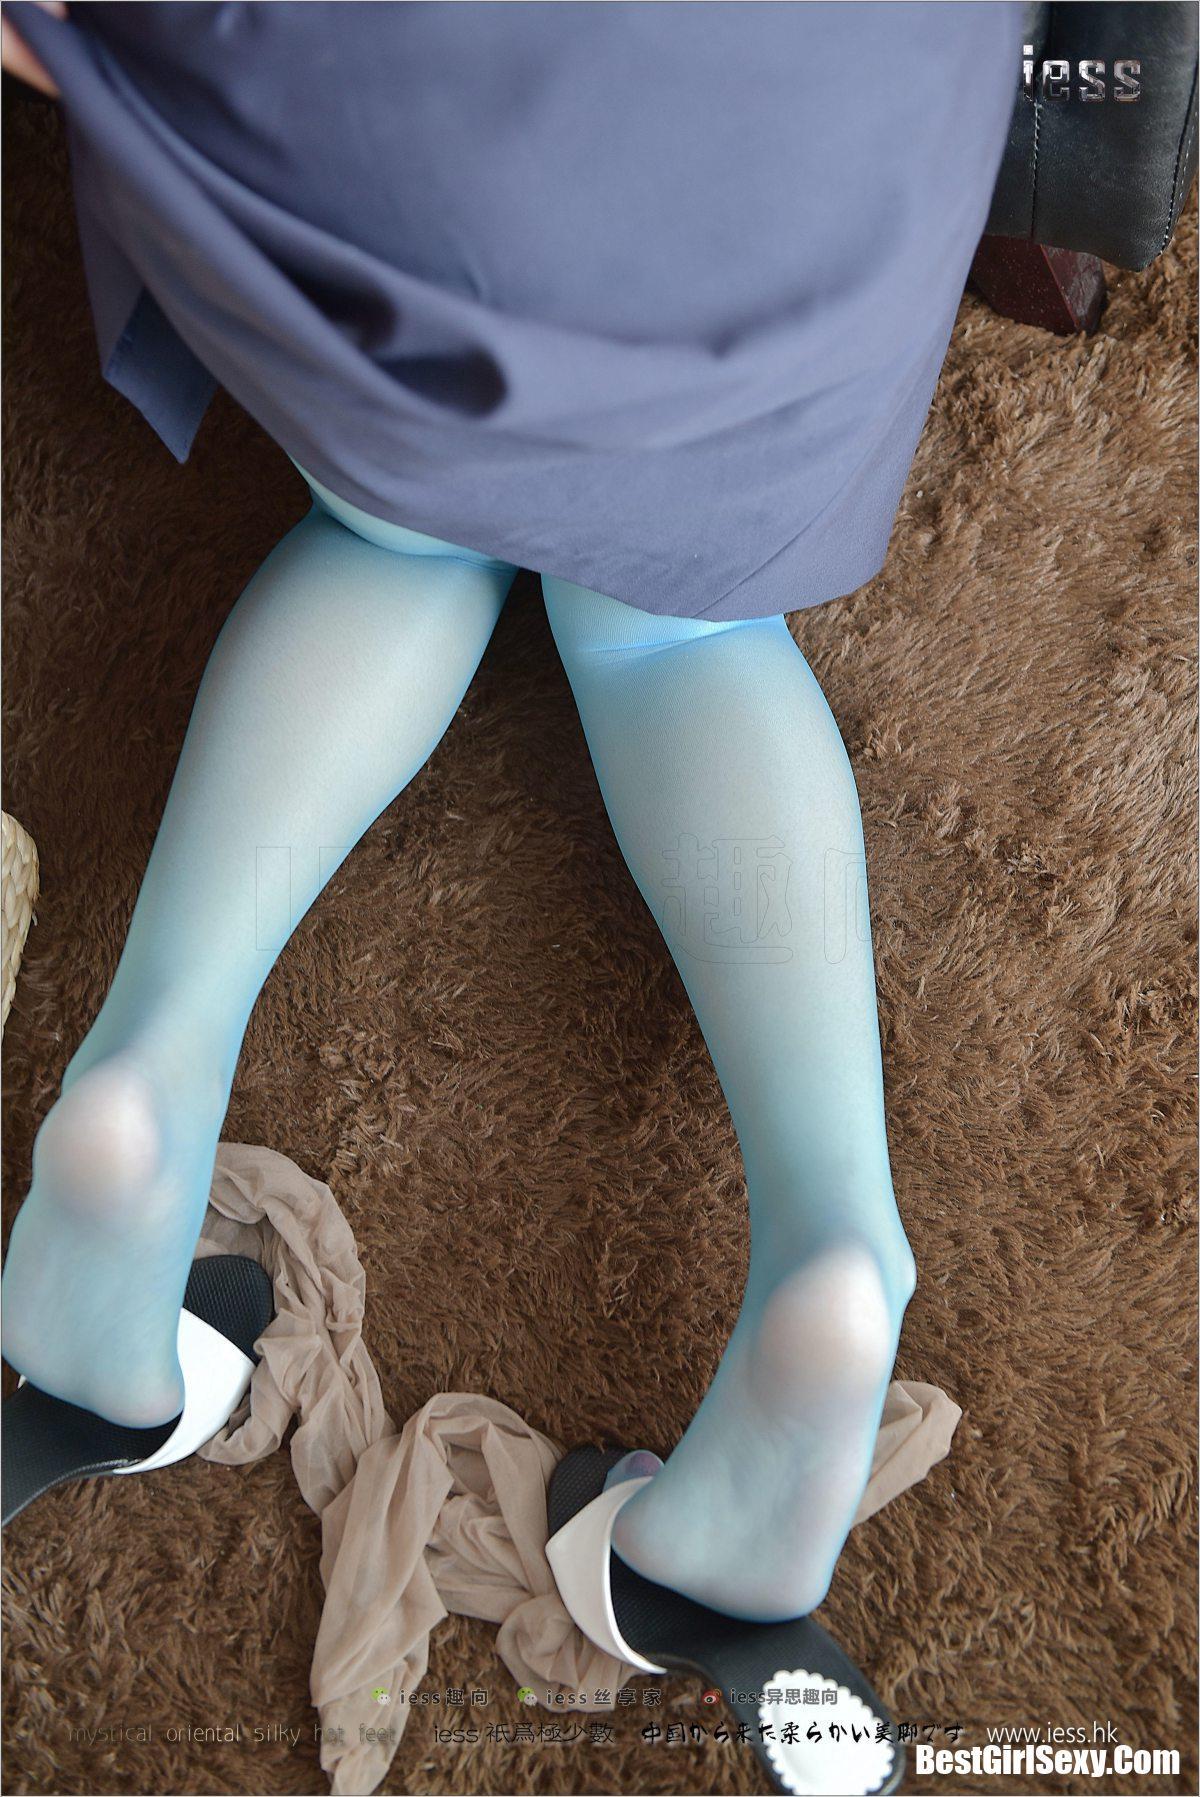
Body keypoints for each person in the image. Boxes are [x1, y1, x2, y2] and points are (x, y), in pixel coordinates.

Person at [0, 2, 1018, 1626]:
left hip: (405, 150)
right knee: (678, 629)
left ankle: (143, 1069)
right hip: (802, 154)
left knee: (393, 533)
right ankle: (833, 1238)